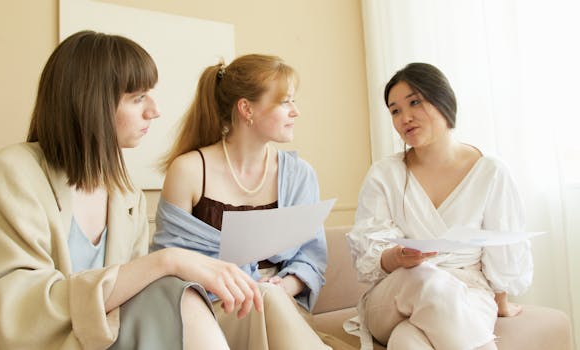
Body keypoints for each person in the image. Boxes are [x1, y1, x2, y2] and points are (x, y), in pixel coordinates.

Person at [0, 30, 259, 350]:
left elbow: (131, 298)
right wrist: (167, 261)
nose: (154, 111)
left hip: (105, 340)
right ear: (92, 103)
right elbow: (16, 313)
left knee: (180, 295)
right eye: (138, 97)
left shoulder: (126, 194)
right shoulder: (14, 173)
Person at [151, 54, 338, 350]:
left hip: (283, 305)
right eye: (285, 101)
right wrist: (242, 289)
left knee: (269, 298)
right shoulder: (188, 170)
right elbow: (168, 265)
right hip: (212, 312)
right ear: (246, 108)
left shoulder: (300, 175)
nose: (296, 111)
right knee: (263, 299)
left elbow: (311, 259)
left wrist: (282, 286)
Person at [346, 63, 533, 349]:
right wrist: (397, 257)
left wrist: (502, 302)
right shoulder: (385, 174)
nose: (404, 117)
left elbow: (503, 251)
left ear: (443, 100)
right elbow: (370, 255)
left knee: (407, 342)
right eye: (395, 110)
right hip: (395, 294)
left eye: (415, 102)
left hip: (468, 293)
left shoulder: (491, 172)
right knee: (423, 277)